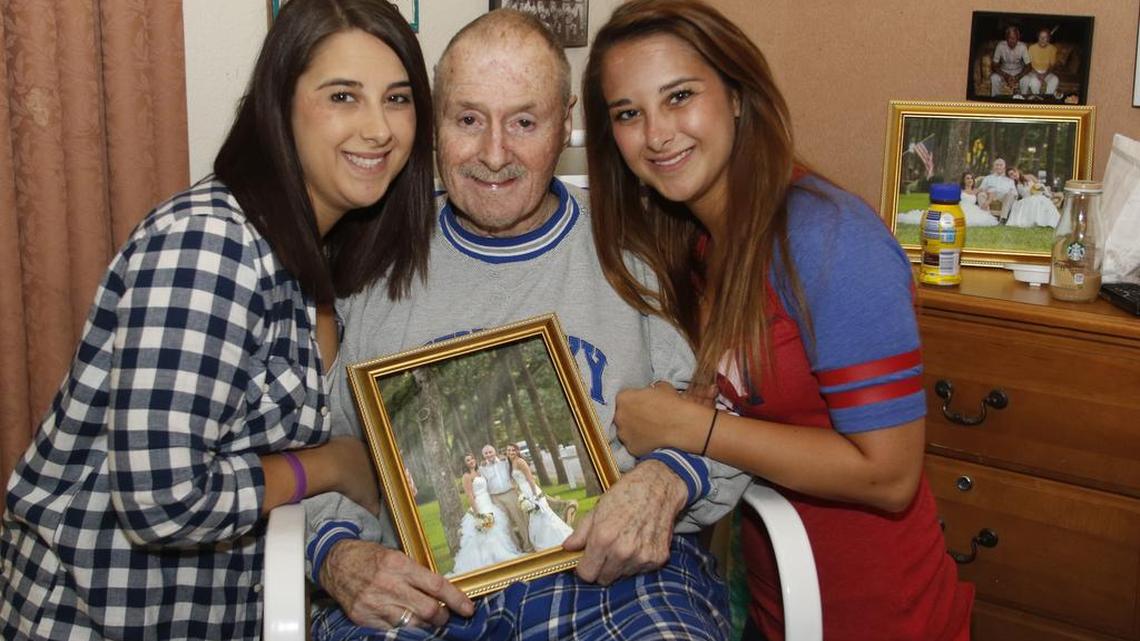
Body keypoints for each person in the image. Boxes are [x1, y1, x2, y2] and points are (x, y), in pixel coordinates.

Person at [304, 9, 745, 640]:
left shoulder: (641, 244)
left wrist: (666, 480)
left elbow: (727, 417)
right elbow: (303, 450)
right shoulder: (364, 257)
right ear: (435, 123)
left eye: (524, 122)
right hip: (414, 594)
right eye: (468, 120)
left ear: (565, 122)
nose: (493, 154)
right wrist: (336, 554)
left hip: (613, 583)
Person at [0, 1, 435, 639]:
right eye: (343, 96)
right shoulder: (211, 243)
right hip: (89, 616)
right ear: (279, 108)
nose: (378, 129)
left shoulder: (318, 251)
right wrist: (333, 464)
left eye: (397, 98)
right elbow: (161, 499)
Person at [582, 1, 974, 640]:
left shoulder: (830, 241)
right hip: (782, 608)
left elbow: (889, 474)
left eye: (679, 96)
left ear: (737, 95)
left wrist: (694, 427)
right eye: (629, 113)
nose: (656, 133)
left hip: (884, 618)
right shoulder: (700, 241)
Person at [448, 454, 523, 577]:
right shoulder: (466, 476)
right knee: (487, 533)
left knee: (497, 530)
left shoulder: (479, 472)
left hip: (488, 502)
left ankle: (500, 555)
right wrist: (478, 514)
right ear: (464, 463)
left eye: (472, 459)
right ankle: (490, 561)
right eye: (468, 460)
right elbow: (469, 496)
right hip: (480, 505)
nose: (471, 461)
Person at [505, 443, 574, 550]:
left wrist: (535, 496)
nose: (511, 452)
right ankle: (546, 543)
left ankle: (558, 540)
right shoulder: (511, 463)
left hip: (531, 491)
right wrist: (520, 494)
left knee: (544, 516)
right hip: (524, 493)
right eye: (509, 450)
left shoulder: (520, 462)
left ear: (517, 451)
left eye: (513, 450)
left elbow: (530, 479)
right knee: (536, 518)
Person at [478, 444, 532, 553]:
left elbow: (516, 469)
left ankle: (528, 546)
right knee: (505, 524)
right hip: (495, 498)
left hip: (510, 493)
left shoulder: (505, 461)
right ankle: (516, 549)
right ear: (483, 455)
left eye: (490, 452)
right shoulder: (482, 468)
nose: (489, 455)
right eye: (486, 453)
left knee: (520, 519)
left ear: (495, 452)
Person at [990, 25, 1030, 97]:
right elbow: (994, 65)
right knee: (994, 78)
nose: (1012, 41)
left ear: (1018, 38)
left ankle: (1023, 101)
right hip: (1004, 70)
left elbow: (1028, 66)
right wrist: (1005, 75)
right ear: (1006, 38)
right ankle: (995, 101)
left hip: (1018, 71)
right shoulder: (1000, 46)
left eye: (1014, 38)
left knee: (1026, 79)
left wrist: (1018, 77)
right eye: (1009, 38)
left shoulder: (1023, 47)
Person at [1022, 27, 1061, 98]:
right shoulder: (1032, 48)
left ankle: (1047, 99)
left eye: (1045, 37)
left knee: (1055, 79)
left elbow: (1052, 66)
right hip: (1033, 71)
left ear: (1049, 39)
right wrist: (1037, 74)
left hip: (1046, 72)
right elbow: (1029, 65)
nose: (1042, 39)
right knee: (1034, 81)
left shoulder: (1053, 49)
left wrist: (1045, 74)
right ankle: (1037, 98)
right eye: (1040, 37)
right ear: (1038, 38)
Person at [977, 157, 1019, 222]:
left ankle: (1003, 218)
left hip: (1004, 197)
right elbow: (981, 188)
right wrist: (987, 192)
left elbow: (1015, 192)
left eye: (1001, 165)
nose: (998, 167)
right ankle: (987, 217)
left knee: (1011, 194)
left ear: (1004, 167)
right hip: (989, 196)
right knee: (981, 195)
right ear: (994, 167)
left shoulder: (1010, 180)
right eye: (997, 165)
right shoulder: (988, 178)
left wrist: (1011, 193)